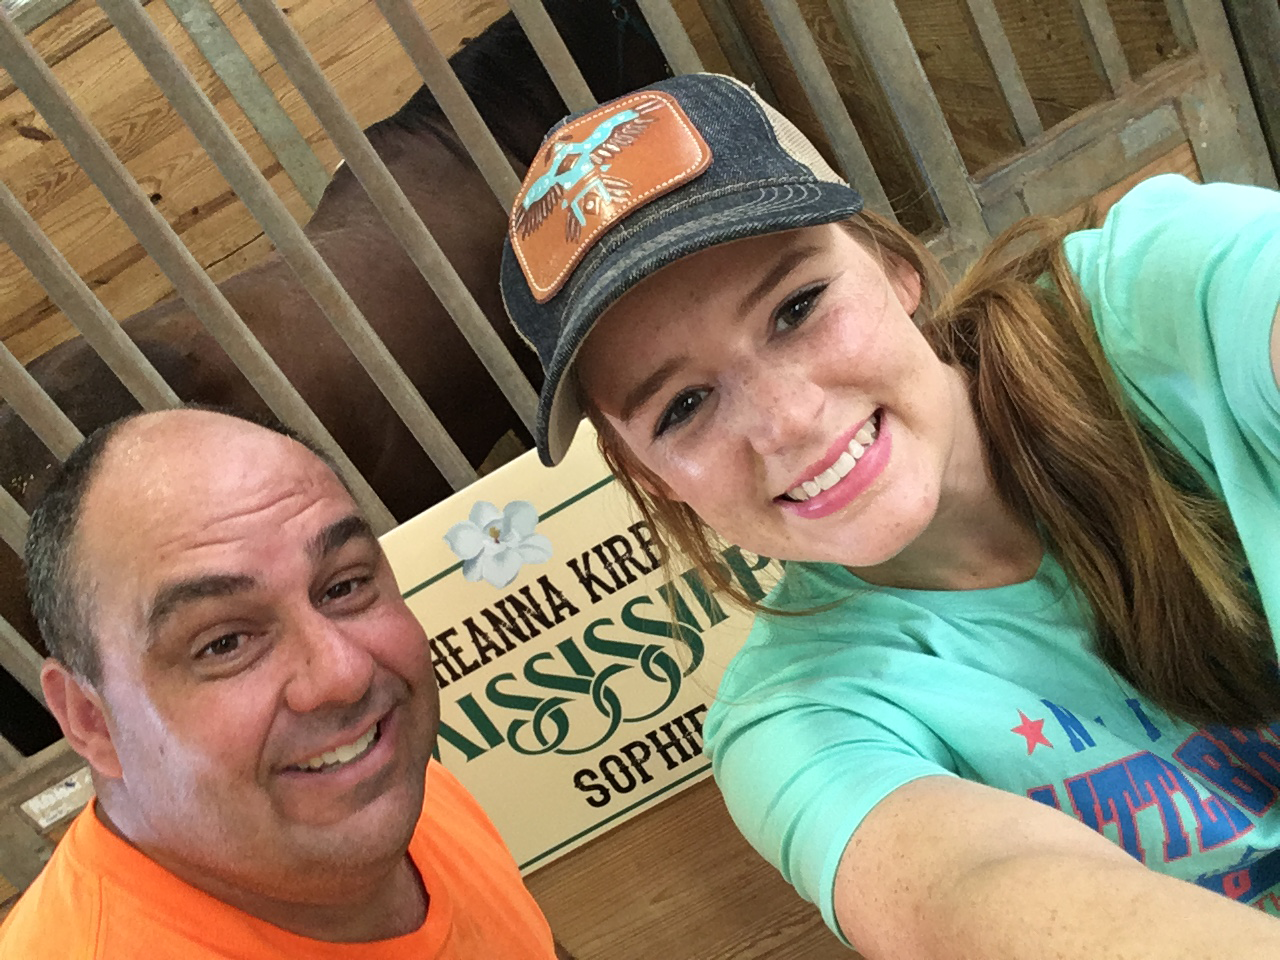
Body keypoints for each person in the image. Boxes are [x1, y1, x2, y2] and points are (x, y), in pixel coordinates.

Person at [499, 71, 1280, 958]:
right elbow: (971, 900)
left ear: (894, 265)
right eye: (682, 407)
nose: (787, 421)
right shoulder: (798, 722)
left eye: (797, 308)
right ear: (655, 478)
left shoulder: (1156, 302)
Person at [0, 408, 558, 958]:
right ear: (91, 721)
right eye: (224, 643)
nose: (345, 673)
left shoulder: (371, 775)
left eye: (344, 585)